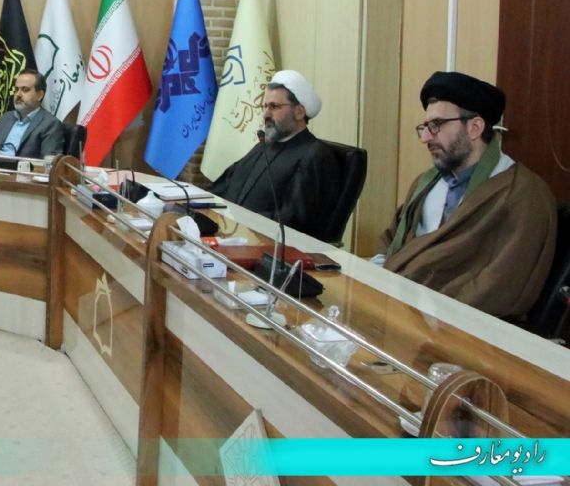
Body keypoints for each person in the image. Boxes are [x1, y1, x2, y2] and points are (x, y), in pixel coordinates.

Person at [379, 72, 556, 318]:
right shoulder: (426, 183)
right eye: (425, 127)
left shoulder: (525, 195)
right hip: (396, 307)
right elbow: (391, 242)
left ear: (475, 127)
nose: (426, 137)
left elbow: (501, 288)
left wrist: (427, 315)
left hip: (453, 325)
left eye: (436, 125)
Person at [208, 70, 342, 241]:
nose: (266, 114)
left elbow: (294, 220)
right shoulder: (263, 147)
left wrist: (240, 222)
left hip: (267, 246)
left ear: (299, 112)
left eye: (275, 107)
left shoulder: (314, 155)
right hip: (228, 235)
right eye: (265, 107)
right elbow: (222, 187)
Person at [0, 69, 65, 160]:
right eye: (16, 89)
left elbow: (49, 163)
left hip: (21, 168)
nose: (18, 94)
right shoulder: (6, 118)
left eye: (25, 90)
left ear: (40, 95)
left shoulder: (50, 124)